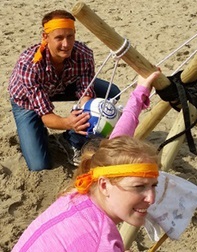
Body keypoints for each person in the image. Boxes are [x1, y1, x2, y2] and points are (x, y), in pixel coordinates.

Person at [12, 71, 161, 252]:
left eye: (153, 185)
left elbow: (117, 141)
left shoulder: (84, 188)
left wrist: (140, 93)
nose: (151, 198)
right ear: (104, 185)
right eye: (138, 186)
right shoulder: (101, 243)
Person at [8, 9, 120, 171]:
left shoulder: (84, 54)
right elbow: (46, 115)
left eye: (70, 36)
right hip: (27, 101)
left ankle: (71, 139)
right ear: (45, 37)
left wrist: (85, 118)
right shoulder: (29, 64)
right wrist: (67, 122)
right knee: (39, 165)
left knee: (111, 91)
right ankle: (33, 131)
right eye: (59, 38)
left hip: (64, 85)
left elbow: (85, 93)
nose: (66, 44)